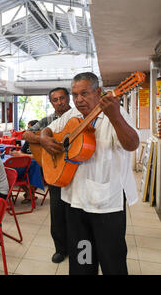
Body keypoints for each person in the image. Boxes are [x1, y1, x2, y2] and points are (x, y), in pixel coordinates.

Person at [40, 72, 139, 275]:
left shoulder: (116, 114)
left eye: (84, 93)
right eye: (75, 94)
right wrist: (43, 137)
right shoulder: (71, 115)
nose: (78, 100)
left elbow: (132, 144)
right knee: (82, 260)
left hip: (106, 206)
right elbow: (49, 130)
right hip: (74, 202)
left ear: (99, 92)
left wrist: (115, 116)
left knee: (112, 261)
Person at [22, 87, 71, 264]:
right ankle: (61, 249)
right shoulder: (48, 120)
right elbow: (27, 134)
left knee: (74, 214)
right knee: (57, 213)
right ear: (51, 103)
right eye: (55, 100)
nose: (59, 102)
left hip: (76, 172)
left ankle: (78, 248)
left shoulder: (79, 116)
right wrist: (42, 139)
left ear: (68, 98)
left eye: (62, 98)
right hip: (55, 171)